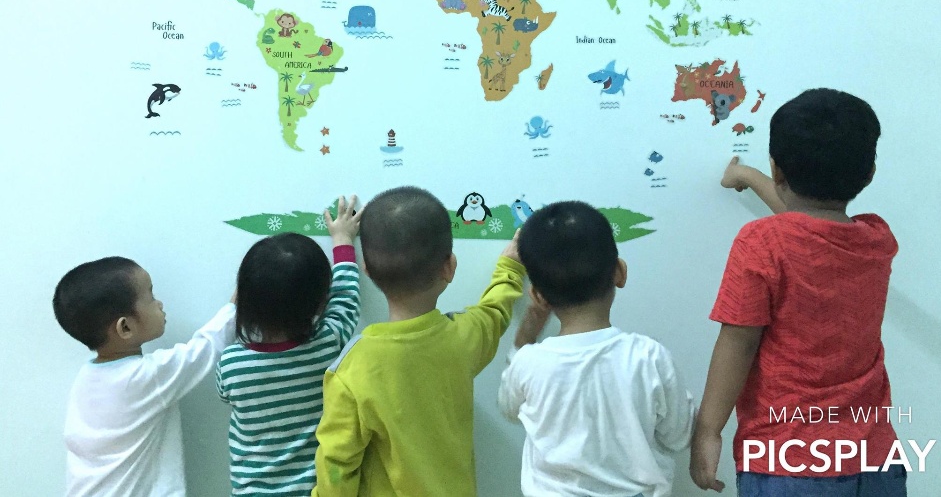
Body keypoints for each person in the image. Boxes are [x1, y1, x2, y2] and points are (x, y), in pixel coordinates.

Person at [690, 88, 905, 495]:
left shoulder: (761, 243)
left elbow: (738, 342)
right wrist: (748, 176)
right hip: (875, 460)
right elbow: (814, 223)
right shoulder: (876, 239)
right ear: (870, 172)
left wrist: (708, 429)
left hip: (786, 461)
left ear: (777, 169)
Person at [312, 186, 526, 497]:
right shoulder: (465, 336)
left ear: (367, 271)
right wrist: (510, 267)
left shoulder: (351, 370)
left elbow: (336, 463)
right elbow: (495, 312)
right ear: (449, 267)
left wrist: (343, 241)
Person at [498, 201, 696, 497]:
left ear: (537, 295)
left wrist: (524, 337)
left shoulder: (529, 362)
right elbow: (679, 437)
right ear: (619, 272)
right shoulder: (649, 358)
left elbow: (509, 409)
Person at [53, 257, 235, 496]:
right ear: (125, 327)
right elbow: (205, 349)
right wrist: (236, 304)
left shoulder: (86, 377)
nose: (159, 304)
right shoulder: (143, 378)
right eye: (150, 296)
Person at [217, 196, 362, 496]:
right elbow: (346, 297)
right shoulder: (327, 345)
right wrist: (342, 239)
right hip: (315, 490)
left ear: (244, 298)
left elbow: (225, 395)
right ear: (321, 303)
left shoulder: (232, 364)